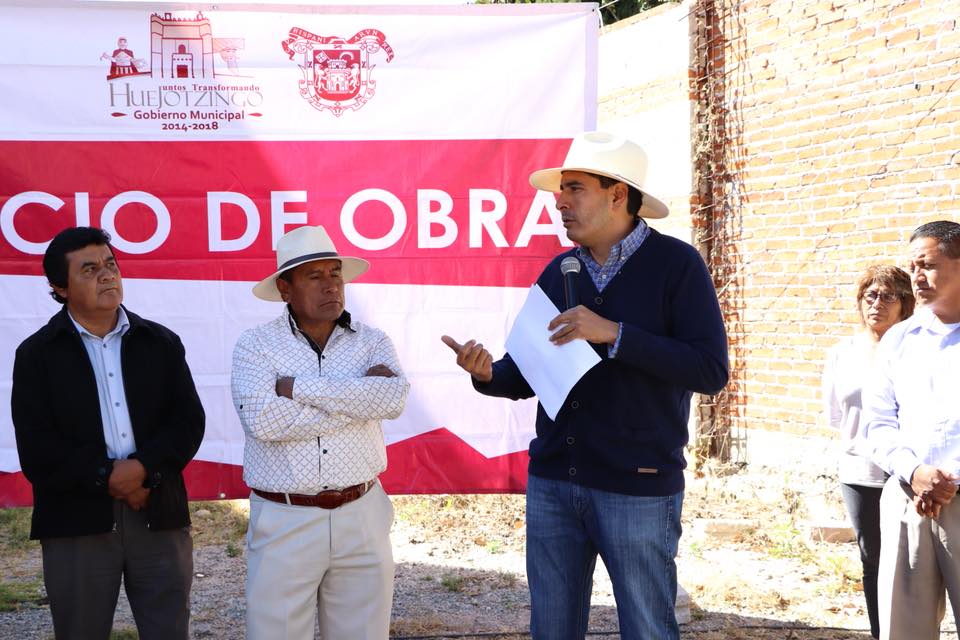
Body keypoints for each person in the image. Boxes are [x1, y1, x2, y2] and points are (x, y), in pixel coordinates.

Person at [442, 131, 729, 639]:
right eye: (561, 190)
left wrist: (616, 335)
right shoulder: (560, 270)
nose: (560, 200)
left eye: (575, 188)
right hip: (553, 480)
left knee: (648, 629)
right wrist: (489, 374)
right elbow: (530, 371)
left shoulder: (676, 266)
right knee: (552, 630)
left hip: (636, 485)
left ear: (618, 194)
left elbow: (709, 369)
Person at [11, 227, 205, 640]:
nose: (107, 276)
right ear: (59, 287)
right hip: (75, 521)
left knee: (169, 630)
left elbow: (188, 422)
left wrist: (143, 471)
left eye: (111, 264)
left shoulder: (160, 342)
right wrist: (108, 477)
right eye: (89, 269)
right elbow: (37, 448)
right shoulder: (36, 354)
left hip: (158, 510)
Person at [232, 225, 409, 640]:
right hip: (284, 517)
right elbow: (265, 422)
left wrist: (295, 388)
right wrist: (358, 400)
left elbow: (393, 399)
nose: (331, 286)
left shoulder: (372, 341)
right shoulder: (254, 346)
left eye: (335, 274)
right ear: (285, 288)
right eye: (315, 276)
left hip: (362, 512)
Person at [862, 220, 960, 640]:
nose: (916, 277)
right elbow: (877, 423)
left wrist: (948, 479)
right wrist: (916, 473)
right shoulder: (899, 340)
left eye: (928, 265)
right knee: (905, 630)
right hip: (908, 500)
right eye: (912, 266)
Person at [822, 265, 915, 639]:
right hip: (860, 472)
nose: (877, 303)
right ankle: (882, 633)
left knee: (914, 562)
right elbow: (834, 414)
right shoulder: (842, 353)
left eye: (888, 295)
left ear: (905, 304)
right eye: (870, 295)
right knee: (872, 560)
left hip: (909, 472)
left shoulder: (913, 348)